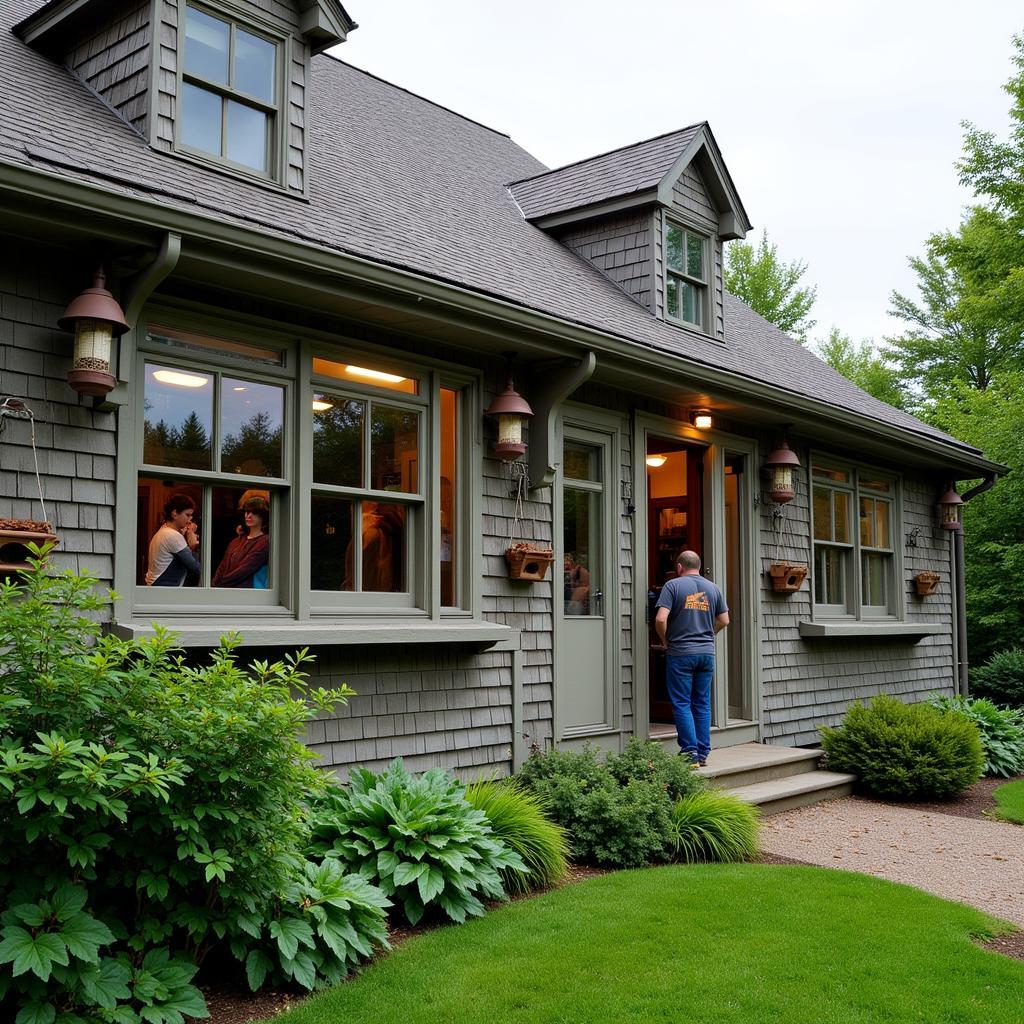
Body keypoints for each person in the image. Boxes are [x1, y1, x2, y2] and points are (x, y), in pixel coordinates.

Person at [654, 550, 729, 766]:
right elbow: (724, 620)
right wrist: (708, 634)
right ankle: (703, 752)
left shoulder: (673, 585)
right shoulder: (713, 588)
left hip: (681, 653)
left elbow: (660, 619)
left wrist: (665, 639)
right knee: (702, 703)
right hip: (706, 653)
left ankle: (690, 753)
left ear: (679, 567)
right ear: (698, 565)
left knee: (682, 703)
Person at [212, 495, 270, 588]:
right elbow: (222, 567)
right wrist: (213, 586)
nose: (248, 515)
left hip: (245, 593)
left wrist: (219, 586)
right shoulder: (236, 541)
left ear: (263, 515)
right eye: (247, 511)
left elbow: (244, 569)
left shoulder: (265, 541)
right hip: (224, 591)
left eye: (254, 512)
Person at [145, 493, 201, 587]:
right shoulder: (173, 535)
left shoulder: (163, 531)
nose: (190, 519)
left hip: (156, 587)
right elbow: (195, 568)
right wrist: (192, 546)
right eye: (187, 515)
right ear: (174, 514)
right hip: (164, 589)